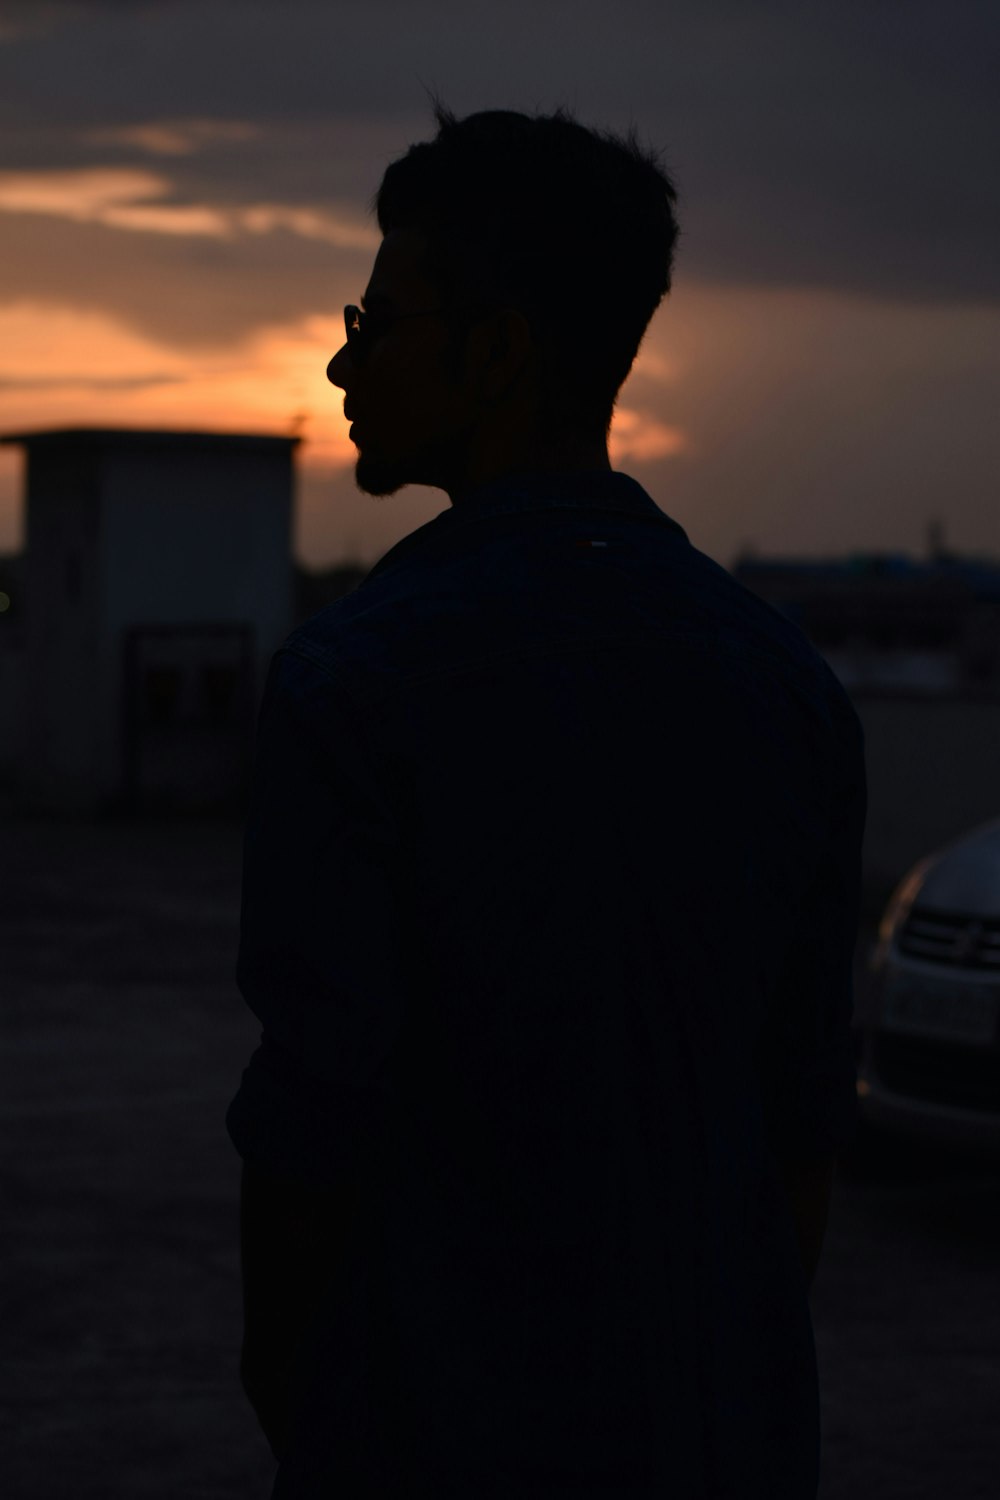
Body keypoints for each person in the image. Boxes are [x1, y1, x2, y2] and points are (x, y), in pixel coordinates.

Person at [226, 96, 866, 1500]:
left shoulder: (355, 683)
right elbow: (798, 1134)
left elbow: (309, 1145)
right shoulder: (787, 684)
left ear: (498, 354)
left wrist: (319, 1422)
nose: (342, 358)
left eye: (378, 318)